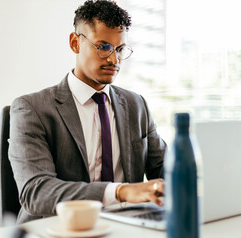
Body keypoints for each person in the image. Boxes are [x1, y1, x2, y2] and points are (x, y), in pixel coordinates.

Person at [9, 0, 166, 224]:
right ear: (75, 43)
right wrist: (120, 192)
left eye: (120, 49)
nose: (114, 60)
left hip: (127, 226)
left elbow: (162, 167)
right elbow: (36, 192)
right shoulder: (32, 109)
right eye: (103, 47)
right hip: (57, 229)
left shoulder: (136, 104)